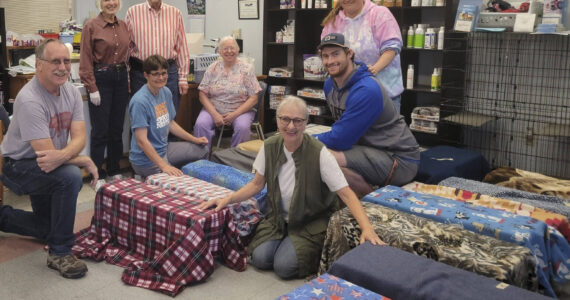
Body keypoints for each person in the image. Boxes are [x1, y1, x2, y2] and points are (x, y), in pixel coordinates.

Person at [198, 96, 383, 279]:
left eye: (297, 120)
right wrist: (227, 200)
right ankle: (284, 240)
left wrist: (367, 228)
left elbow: (346, 193)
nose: (291, 126)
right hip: (278, 219)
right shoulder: (269, 146)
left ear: (306, 122)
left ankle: (294, 246)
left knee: (284, 267)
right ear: (277, 120)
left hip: (309, 223)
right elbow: (256, 184)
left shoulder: (320, 153)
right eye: (285, 119)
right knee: (261, 259)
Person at [0, 39, 98, 279]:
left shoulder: (71, 92)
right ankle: (60, 252)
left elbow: (79, 138)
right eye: (55, 61)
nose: (63, 67)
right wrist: (82, 160)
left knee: (47, 228)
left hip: (45, 165)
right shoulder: (29, 99)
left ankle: (3, 218)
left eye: (66, 61)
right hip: (19, 166)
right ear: (39, 65)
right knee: (70, 177)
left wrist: (69, 154)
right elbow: (46, 157)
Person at [315, 33, 419, 197]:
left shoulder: (366, 90)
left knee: (320, 155)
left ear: (349, 54)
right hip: (368, 149)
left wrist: (306, 139)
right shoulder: (330, 85)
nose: (330, 61)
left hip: (399, 160)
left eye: (336, 54)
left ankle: (372, 205)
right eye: (325, 56)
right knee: (323, 159)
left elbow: (341, 139)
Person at [128, 55, 208, 178]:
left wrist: (194, 139)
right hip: (145, 160)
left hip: (164, 149)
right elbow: (141, 141)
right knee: (177, 181)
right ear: (146, 75)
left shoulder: (165, 92)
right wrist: (164, 166)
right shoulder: (139, 101)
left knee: (202, 150)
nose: (160, 78)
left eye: (163, 73)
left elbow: (170, 124)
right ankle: (144, 178)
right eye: (155, 74)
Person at [321, 0, 404, 113]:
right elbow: (326, 54)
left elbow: (392, 47)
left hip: (382, 94)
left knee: (382, 130)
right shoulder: (333, 22)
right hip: (348, 95)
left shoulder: (379, 14)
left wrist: (372, 70)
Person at [79, 0, 129, 187]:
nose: (111, 3)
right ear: (99, 3)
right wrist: (91, 87)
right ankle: (97, 174)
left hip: (121, 78)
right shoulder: (91, 26)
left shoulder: (123, 25)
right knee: (100, 130)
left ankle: (114, 169)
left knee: (117, 129)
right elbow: (85, 59)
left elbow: (127, 58)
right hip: (101, 79)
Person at [194, 36, 261, 151]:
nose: (229, 51)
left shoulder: (246, 69)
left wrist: (234, 114)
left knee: (242, 127)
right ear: (219, 51)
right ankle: (202, 161)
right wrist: (215, 114)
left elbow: (254, 97)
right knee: (201, 124)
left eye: (232, 48)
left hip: (240, 110)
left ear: (238, 50)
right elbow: (202, 94)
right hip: (214, 109)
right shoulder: (212, 68)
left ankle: (235, 161)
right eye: (225, 48)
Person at [125, 0, 190, 112]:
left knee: (168, 115)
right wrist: (127, 77)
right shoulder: (133, 12)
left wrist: (183, 78)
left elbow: (182, 46)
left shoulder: (175, 13)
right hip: (140, 74)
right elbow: (126, 47)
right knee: (141, 114)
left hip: (168, 74)